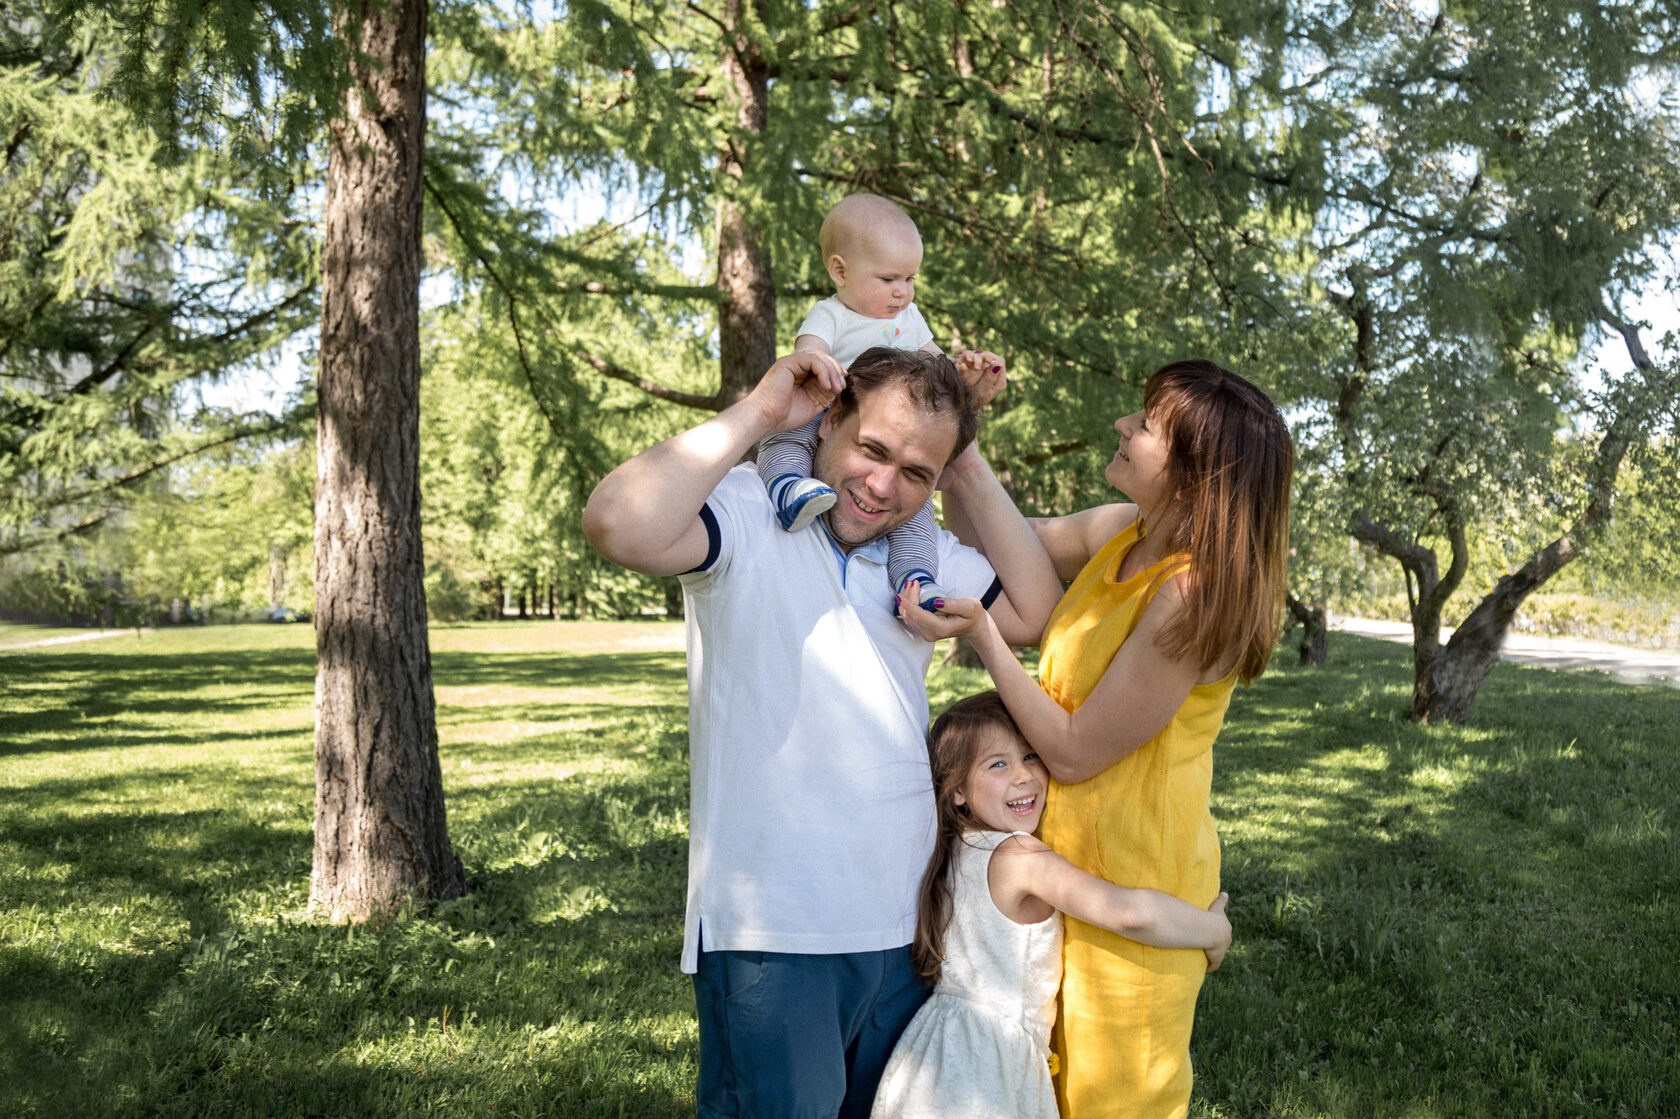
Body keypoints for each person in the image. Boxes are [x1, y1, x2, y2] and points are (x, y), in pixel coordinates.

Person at [582, 346, 1062, 1118]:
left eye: (917, 472)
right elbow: (615, 521)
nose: (883, 486)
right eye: (873, 449)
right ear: (829, 420)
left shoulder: (922, 558)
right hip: (776, 931)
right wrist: (764, 412)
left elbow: (1037, 611)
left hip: (907, 927)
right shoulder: (743, 511)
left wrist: (963, 462)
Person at [900, 359, 1293, 1119]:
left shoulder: (1191, 592)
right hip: (1060, 878)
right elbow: (1001, 541)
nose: (1123, 425)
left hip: (1133, 893)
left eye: (1145, 426)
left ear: (1194, 476)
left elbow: (1077, 749)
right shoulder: (1124, 532)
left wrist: (986, 636)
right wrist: (964, 433)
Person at [870, 691, 1230, 1119]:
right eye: (998, 764)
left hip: (935, 1055)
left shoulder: (956, 849)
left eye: (1030, 756)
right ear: (957, 791)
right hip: (988, 1067)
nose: (1022, 775)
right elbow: (1129, 913)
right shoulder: (1020, 857)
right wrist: (1214, 931)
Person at [759, 192, 1005, 613]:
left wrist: (964, 375)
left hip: (890, 432)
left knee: (916, 513)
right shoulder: (830, 314)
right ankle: (789, 488)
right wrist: (819, 361)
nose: (902, 293)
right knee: (784, 439)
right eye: (889, 280)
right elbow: (810, 350)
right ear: (840, 270)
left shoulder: (909, 320)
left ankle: (916, 578)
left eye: (910, 280)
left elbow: (935, 365)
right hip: (826, 405)